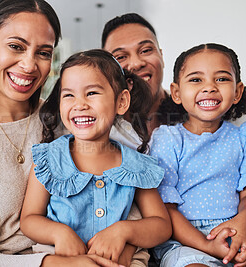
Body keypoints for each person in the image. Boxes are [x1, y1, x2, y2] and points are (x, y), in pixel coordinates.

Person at [0, 0, 123, 266]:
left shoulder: (69, 122)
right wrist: (51, 264)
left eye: (43, 52)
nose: (29, 65)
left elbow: (120, 194)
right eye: (16, 46)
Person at [101, 13, 246, 207]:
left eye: (145, 50)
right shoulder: (100, 128)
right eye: (120, 56)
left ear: (161, 55)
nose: (136, 63)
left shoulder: (215, 106)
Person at [19, 49, 172, 266]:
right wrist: (59, 233)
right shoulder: (49, 158)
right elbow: (29, 219)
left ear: (121, 102)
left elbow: (161, 226)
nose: (79, 104)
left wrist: (123, 231)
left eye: (91, 93)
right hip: (62, 260)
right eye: (69, 95)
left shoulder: (136, 165)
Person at [150, 43, 246, 267]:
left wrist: (243, 226)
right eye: (196, 79)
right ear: (177, 93)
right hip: (188, 241)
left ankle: (241, 254)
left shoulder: (243, 135)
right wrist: (207, 245)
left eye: (221, 79)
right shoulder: (167, 138)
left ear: (237, 92)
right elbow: (166, 208)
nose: (209, 87)